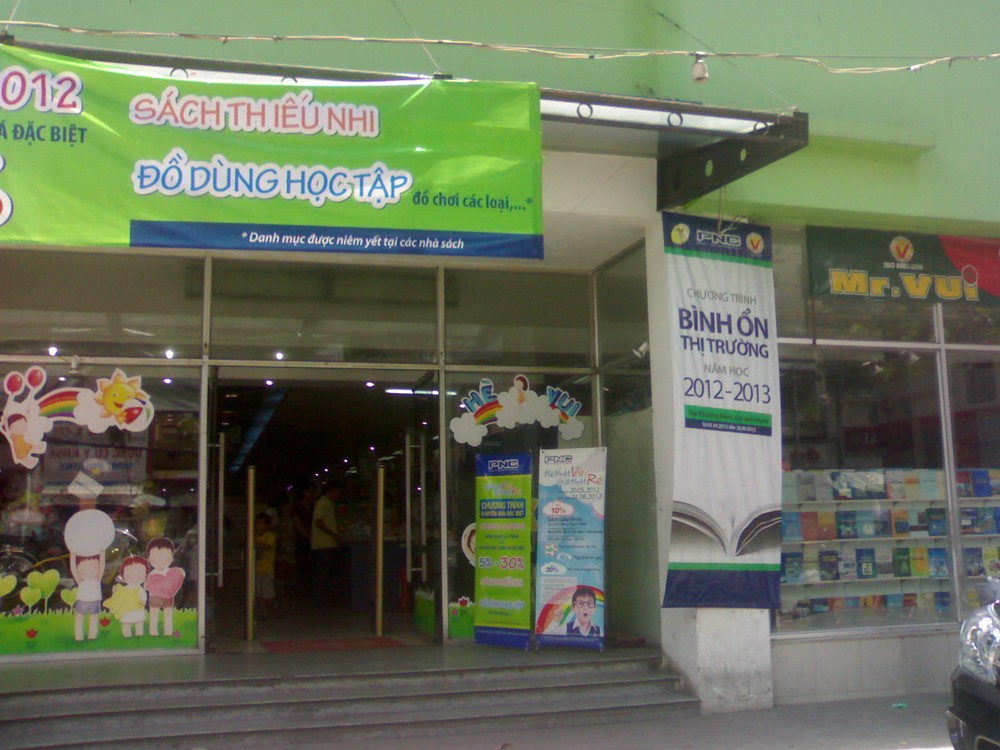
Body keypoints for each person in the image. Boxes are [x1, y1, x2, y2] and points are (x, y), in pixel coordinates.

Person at [311, 480, 341, 598]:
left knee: (326, 572)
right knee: (323, 572)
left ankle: (324, 596)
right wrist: (333, 534)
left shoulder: (328, 503)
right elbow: (318, 522)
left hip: (328, 543)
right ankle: (321, 596)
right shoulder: (322, 503)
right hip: (323, 544)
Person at [69, 550, 105, 641]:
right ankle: (78, 636)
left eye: (94, 568)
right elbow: (73, 569)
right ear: (79, 569)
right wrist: (73, 556)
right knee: (79, 617)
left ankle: (92, 635)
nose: (90, 572)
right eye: (84, 570)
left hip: (94, 601)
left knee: (94, 617)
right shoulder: (81, 581)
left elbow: (102, 567)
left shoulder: (97, 580)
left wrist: (102, 554)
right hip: (82, 601)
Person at [254, 511, 277, 619]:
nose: (258, 526)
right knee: (258, 593)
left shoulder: (270, 536)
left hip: (267, 570)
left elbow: (268, 546)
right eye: (257, 524)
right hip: (257, 569)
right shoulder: (255, 536)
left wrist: (256, 542)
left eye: (261, 524)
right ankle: (261, 612)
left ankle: (270, 611)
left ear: (267, 525)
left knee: (267, 594)